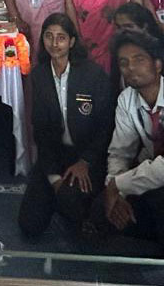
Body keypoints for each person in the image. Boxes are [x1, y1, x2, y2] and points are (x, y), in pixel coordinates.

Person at [93, 30, 164, 257]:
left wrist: (119, 185)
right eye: (124, 63)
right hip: (151, 174)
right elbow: (119, 152)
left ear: (157, 65)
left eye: (139, 60)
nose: (130, 68)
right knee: (101, 209)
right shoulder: (127, 98)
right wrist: (115, 190)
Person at [18, 14, 114, 239]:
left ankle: (83, 209)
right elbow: (40, 130)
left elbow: (106, 125)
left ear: (71, 41)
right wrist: (54, 178)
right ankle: (60, 198)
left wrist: (86, 161)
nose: (54, 43)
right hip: (55, 156)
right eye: (48, 37)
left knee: (74, 207)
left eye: (61, 38)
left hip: (87, 156)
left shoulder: (93, 75)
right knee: (29, 224)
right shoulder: (39, 76)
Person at [111, 3, 164, 85]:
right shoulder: (118, 53)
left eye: (128, 26)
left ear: (144, 27)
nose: (122, 32)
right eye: (118, 27)